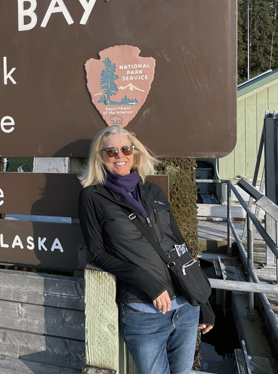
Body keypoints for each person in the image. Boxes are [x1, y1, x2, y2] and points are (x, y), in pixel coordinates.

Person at [78, 125, 214, 374]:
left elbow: (179, 245)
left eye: (126, 149)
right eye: (111, 151)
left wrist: (200, 299)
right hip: (144, 313)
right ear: (100, 157)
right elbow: (97, 253)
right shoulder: (92, 197)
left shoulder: (154, 192)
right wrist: (144, 280)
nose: (120, 156)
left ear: (135, 153)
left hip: (185, 310)